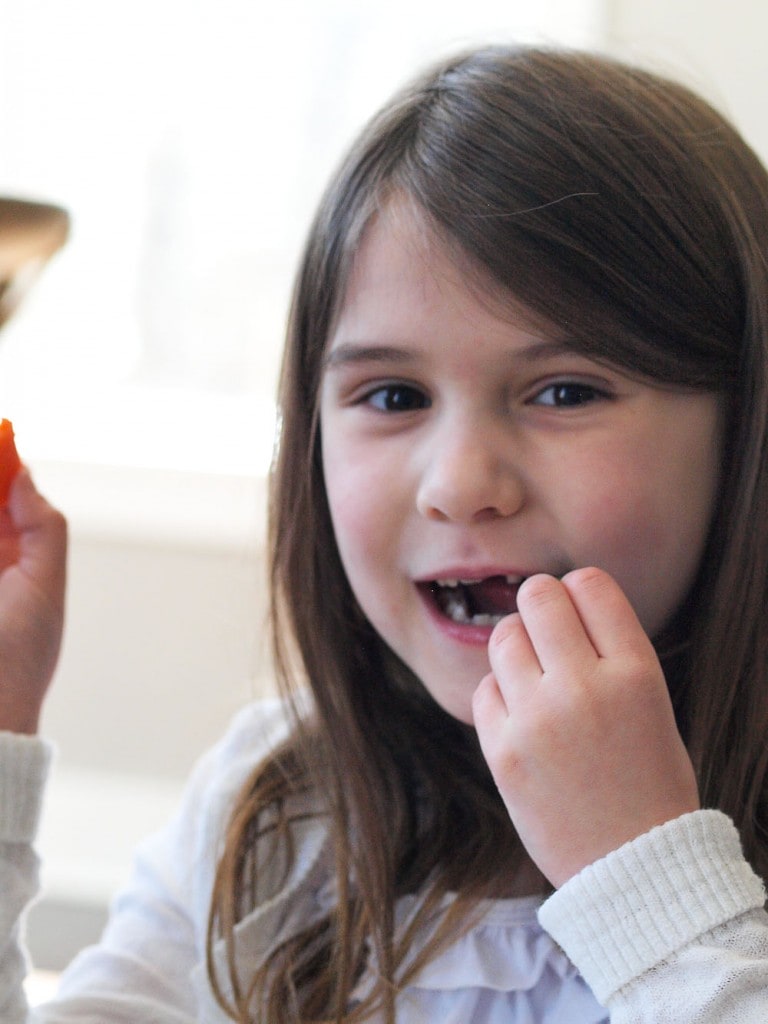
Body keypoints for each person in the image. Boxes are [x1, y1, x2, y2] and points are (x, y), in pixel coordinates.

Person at [3, 42, 768, 1023]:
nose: (460, 485)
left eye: (566, 391)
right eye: (394, 395)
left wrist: (646, 869)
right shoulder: (275, 806)